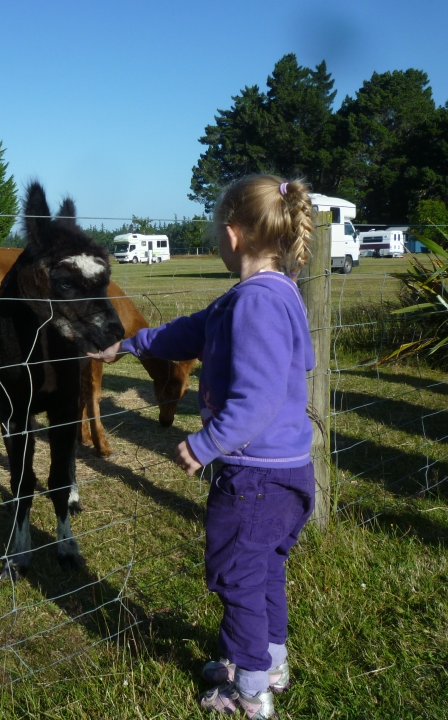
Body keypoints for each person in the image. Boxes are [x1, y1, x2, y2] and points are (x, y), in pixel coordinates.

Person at [89, 175, 317, 718]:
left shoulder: (255, 303)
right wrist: (130, 343)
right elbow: (194, 331)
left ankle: (250, 691)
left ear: (232, 234)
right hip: (288, 470)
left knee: (237, 576)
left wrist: (207, 442)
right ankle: (270, 663)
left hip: (255, 476)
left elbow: (259, 396)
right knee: (263, 569)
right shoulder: (273, 293)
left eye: (217, 231)